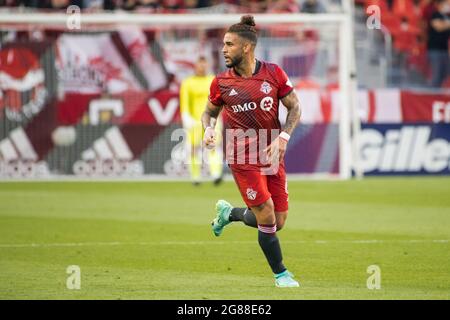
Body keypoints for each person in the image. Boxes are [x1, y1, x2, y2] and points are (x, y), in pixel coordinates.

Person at [201, 15, 301, 287]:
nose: (224, 49)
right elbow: (208, 113)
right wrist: (208, 128)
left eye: (229, 44)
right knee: (266, 213)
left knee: (277, 221)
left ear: (246, 47)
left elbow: (295, 106)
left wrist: (283, 136)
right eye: (223, 44)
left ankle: (229, 214)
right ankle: (281, 274)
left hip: (271, 153)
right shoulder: (221, 82)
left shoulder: (274, 73)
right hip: (241, 156)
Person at [180, 56, 224, 186]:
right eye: (200, 64)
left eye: (204, 64)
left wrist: (217, 116)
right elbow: (184, 102)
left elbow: (219, 100)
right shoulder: (188, 82)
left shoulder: (213, 80)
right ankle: (195, 177)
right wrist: (186, 117)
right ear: (195, 66)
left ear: (207, 65)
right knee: (193, 149)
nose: (202, 67)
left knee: (213, 146)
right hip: (194, 121)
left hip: (212, 120)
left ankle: (216, 174)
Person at [427, 0, 450, 88]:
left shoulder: (447, 17)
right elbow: (438, 27)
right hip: (435, 49)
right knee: (436, 74)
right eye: (447, 4)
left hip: (444, 49)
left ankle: (438, 93)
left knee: (444, 74)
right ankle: (431, 94)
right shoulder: (435, 15)